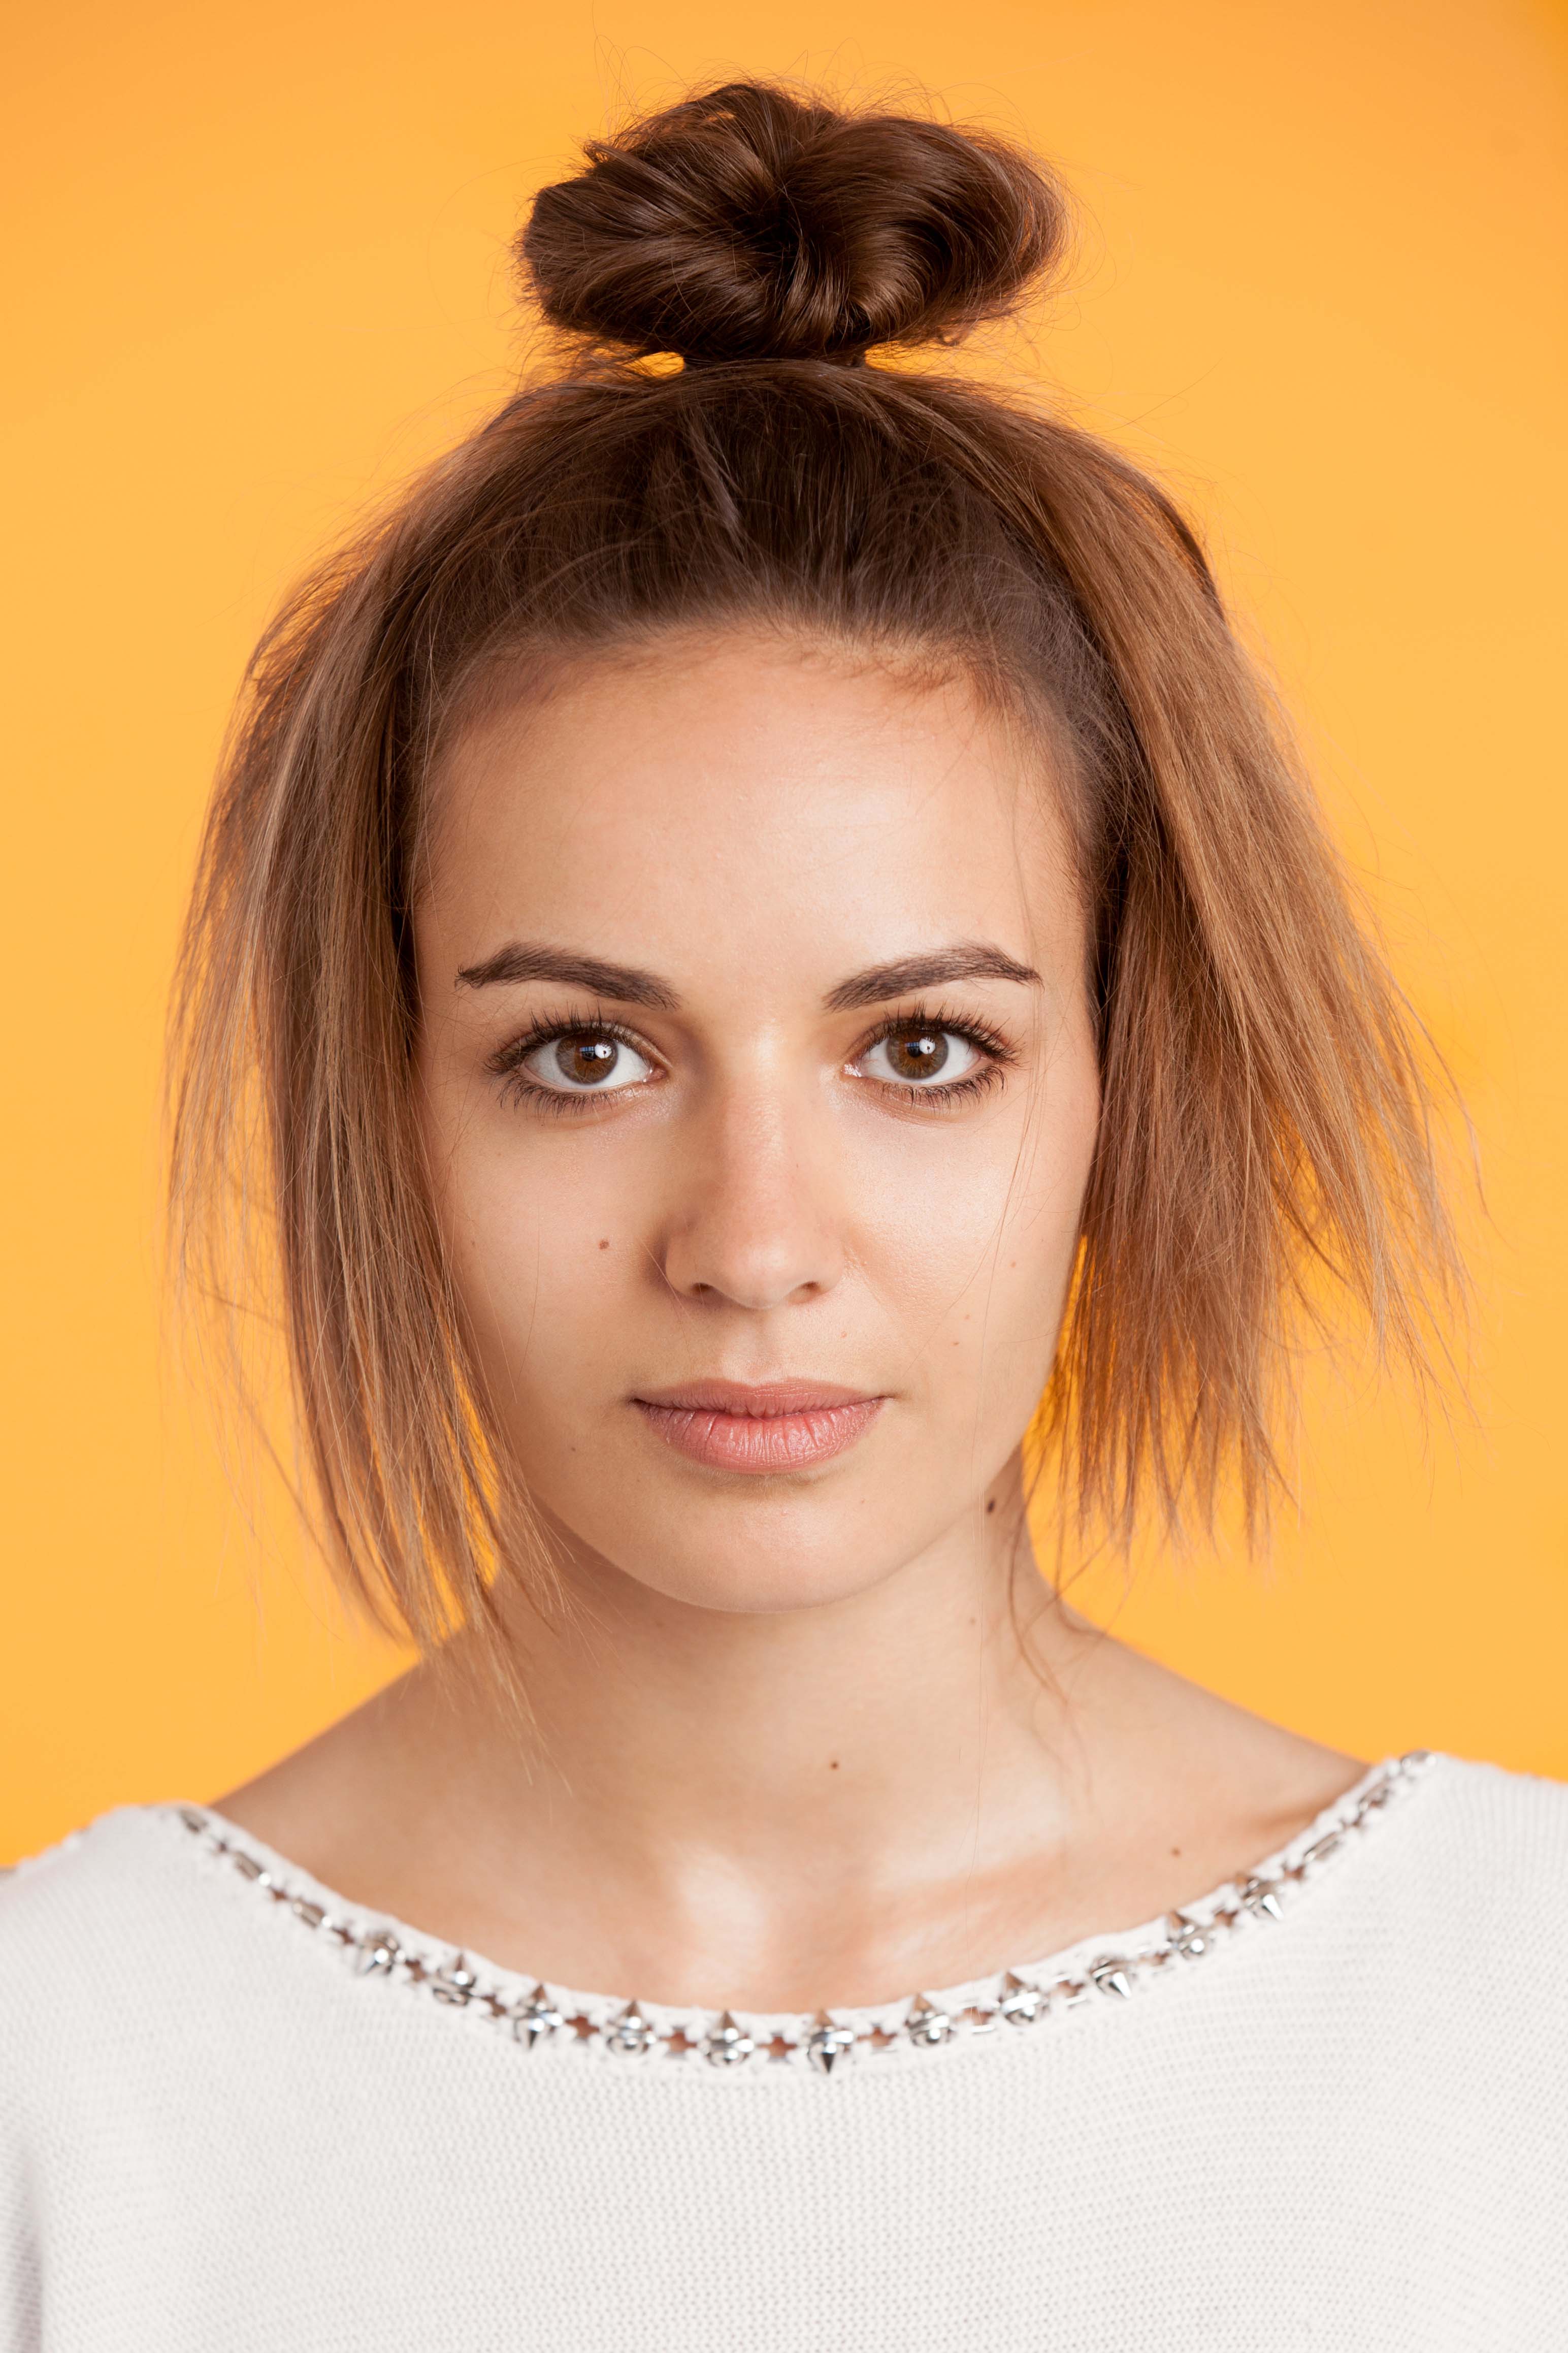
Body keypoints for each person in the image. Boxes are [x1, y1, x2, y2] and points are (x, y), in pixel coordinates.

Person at [2, 78, 1563, 2353]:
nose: (749, 1242)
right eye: (583, 1052)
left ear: (1131, 1079)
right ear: (389, 1100)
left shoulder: (1519, 2025)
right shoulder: (67, 2083)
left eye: (921, 1049)